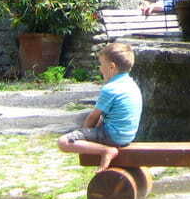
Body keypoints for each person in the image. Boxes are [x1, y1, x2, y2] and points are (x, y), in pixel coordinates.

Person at [57, 42, 142, 172]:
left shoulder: (110, 89)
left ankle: (106, 151)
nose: (100, 68)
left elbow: (93, 117)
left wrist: (84, 135)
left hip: (112, 137)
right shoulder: (132, 85)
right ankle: (105, 148)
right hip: (127, 137)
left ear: (111, 67)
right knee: (98, 119)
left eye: (102, 65)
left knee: (63, 142)